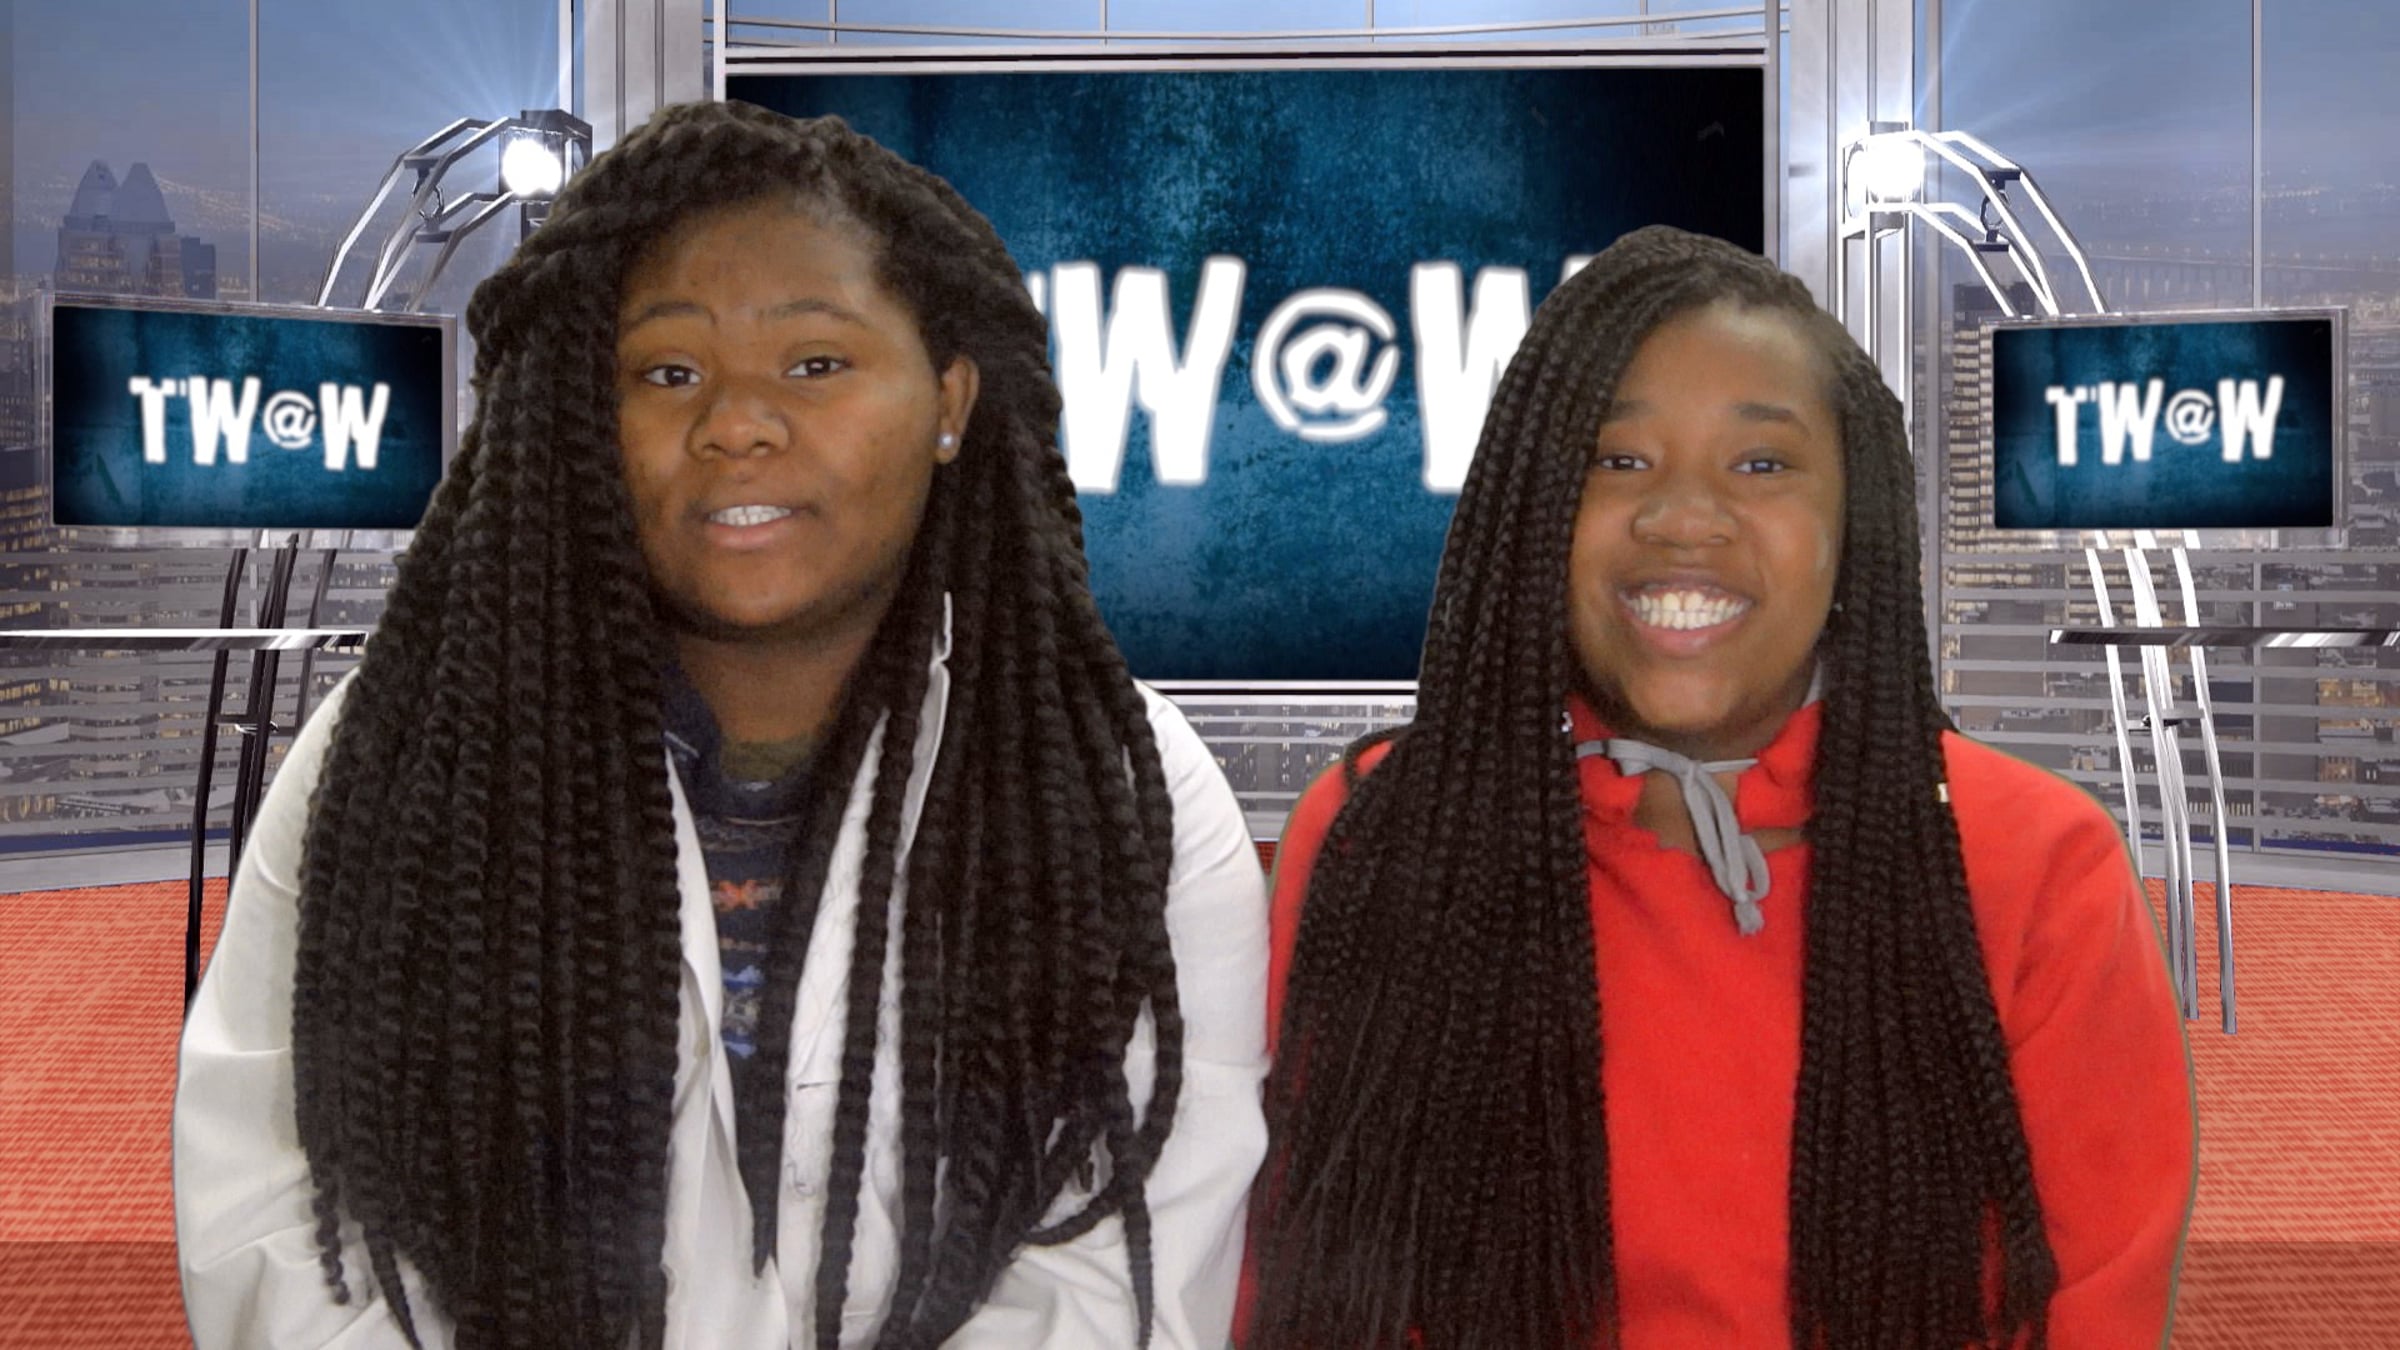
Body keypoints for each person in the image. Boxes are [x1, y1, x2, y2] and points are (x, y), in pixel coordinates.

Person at [173, 99, 1268, 1350]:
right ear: (586, 415)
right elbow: (283, 1227)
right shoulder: (396, 758)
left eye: (816, 363)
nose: (736, 423)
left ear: (950, 402)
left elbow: (1119, 1275)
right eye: (669, 372)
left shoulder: (1129, 791)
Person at [1245, 226, 2195, 1350]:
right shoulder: (1386, 835)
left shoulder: (2035, 860)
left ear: (1855, 529)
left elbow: (2093, 1303)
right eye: (1617, 460)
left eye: (1761, 464)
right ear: (1531, 516)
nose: (1682, 517)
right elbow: (1295, 1283)